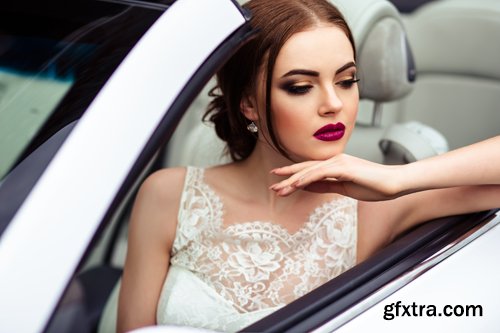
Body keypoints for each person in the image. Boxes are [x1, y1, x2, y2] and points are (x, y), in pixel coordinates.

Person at [116, 0, 500, 332]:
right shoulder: (167, 195)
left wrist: (396, 177)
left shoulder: (378, 207)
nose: (333, 103)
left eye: (348, 80)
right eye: (300, 86)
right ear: (248, 103)